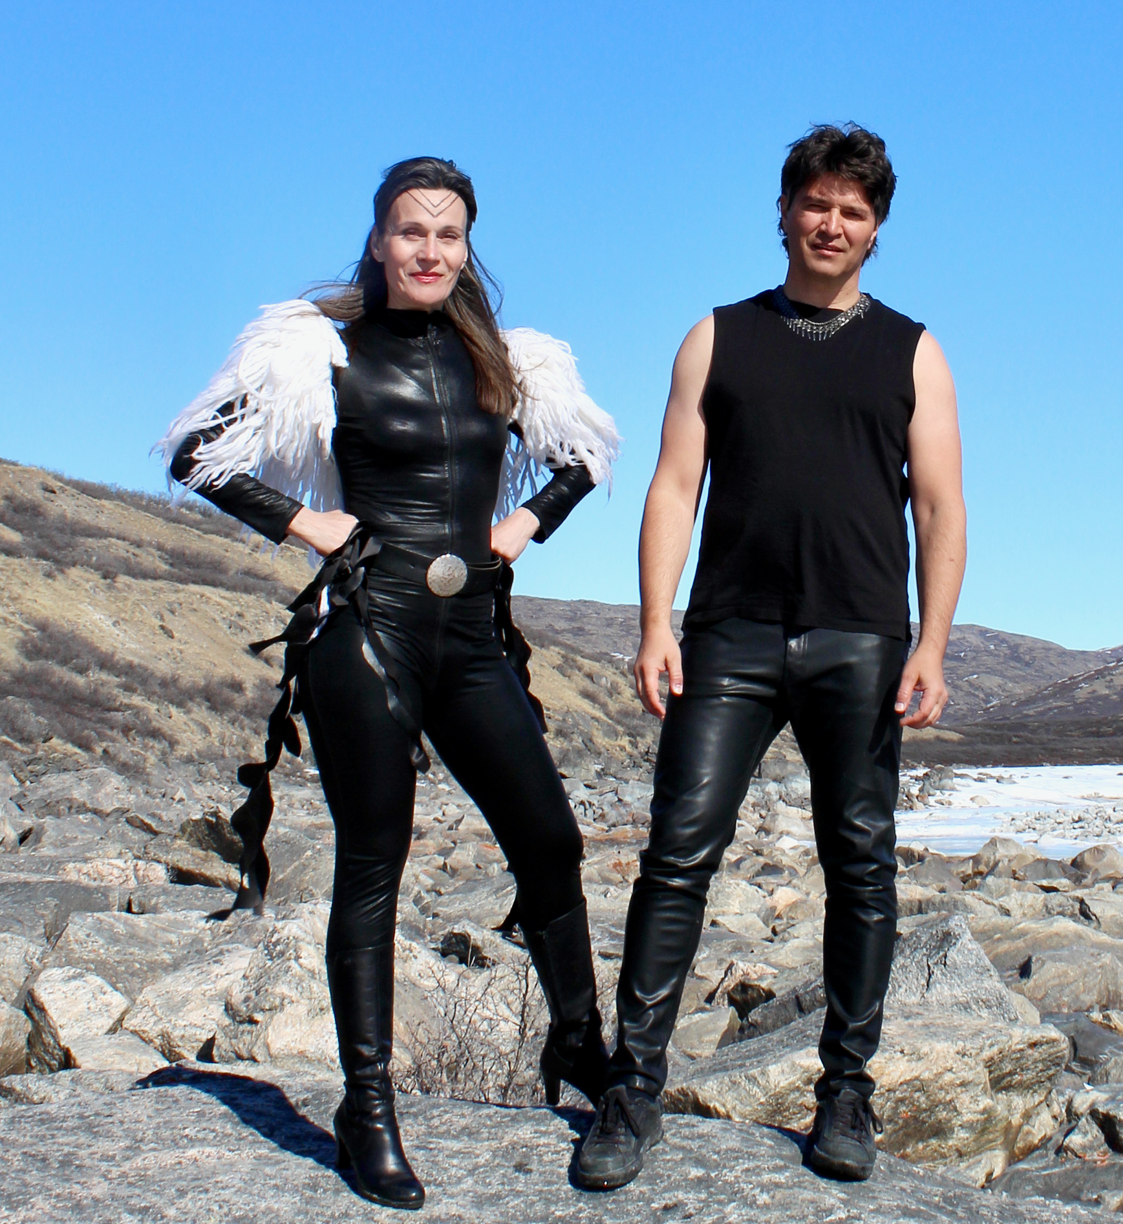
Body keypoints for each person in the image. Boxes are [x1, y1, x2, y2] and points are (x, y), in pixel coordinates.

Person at [158, 158, 619, 1211]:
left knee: (550, 838)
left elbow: (584, 457)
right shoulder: (321, 347)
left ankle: (578, 1042)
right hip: (368, 626)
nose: (429, 250)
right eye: (411, 231)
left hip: (472, 633)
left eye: (448, 235)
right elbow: (195, 450)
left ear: (466, 247)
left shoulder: (503, 358)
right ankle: (367, 1106)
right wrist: (304, 521)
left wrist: (523, 522)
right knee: (375, 861)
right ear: (377, 239)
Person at [577, 124, 966, 1189]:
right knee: (677, 853)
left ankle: (846, 1090)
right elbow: (673, 486)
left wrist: (932, 641)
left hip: (861, 638)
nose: (831, 224)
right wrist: (655, 622)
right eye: (816, 203)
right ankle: (632, 1090)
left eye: (854, 211)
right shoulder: (717, 336)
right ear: (785, 211)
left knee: (862, 862)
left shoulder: (914, 351)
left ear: (876, 230)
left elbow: (940, 505)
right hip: (731, 633)